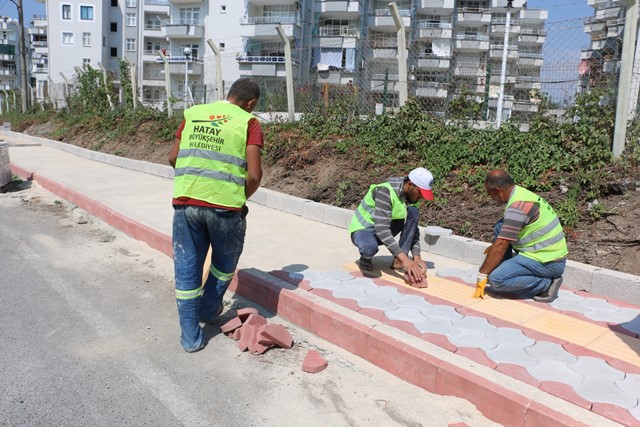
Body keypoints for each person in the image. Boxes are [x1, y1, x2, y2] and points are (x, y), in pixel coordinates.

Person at [168, 78, 263, 352]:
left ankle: (190, 338)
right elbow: (255, 175)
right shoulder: (248, 123)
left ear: (228, 94)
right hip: (225, 210)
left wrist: (195, 178)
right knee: (223, 263)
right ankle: (208, 310)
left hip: (186, 203)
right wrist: (237, 198)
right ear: (251, 103)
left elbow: (173, 158)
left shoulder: (193, 114)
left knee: (187, 268)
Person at [472, 169, 568, 303]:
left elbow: (501, 244)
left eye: (490, 193)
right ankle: (502, 267)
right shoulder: (520, 193)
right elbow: (503, 237)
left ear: (498, 190)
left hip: (549, 262)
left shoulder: (518, 206)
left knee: (497, 279)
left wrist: (482, 275)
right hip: (543, 253)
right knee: (501, 226)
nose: (490, 197)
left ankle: (547, 283)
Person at [349, 168, 434, 287]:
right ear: (410, 184)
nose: (421, 197)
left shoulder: (407, 195)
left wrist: (416, 257)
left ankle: (399, 261)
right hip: (364, 230)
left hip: (384, 228)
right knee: (369, 248)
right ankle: (366, 258)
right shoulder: (385, 191)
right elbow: (382, 230)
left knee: (413, 212)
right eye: (420, 193)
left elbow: (413, 229)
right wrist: (406, 261)